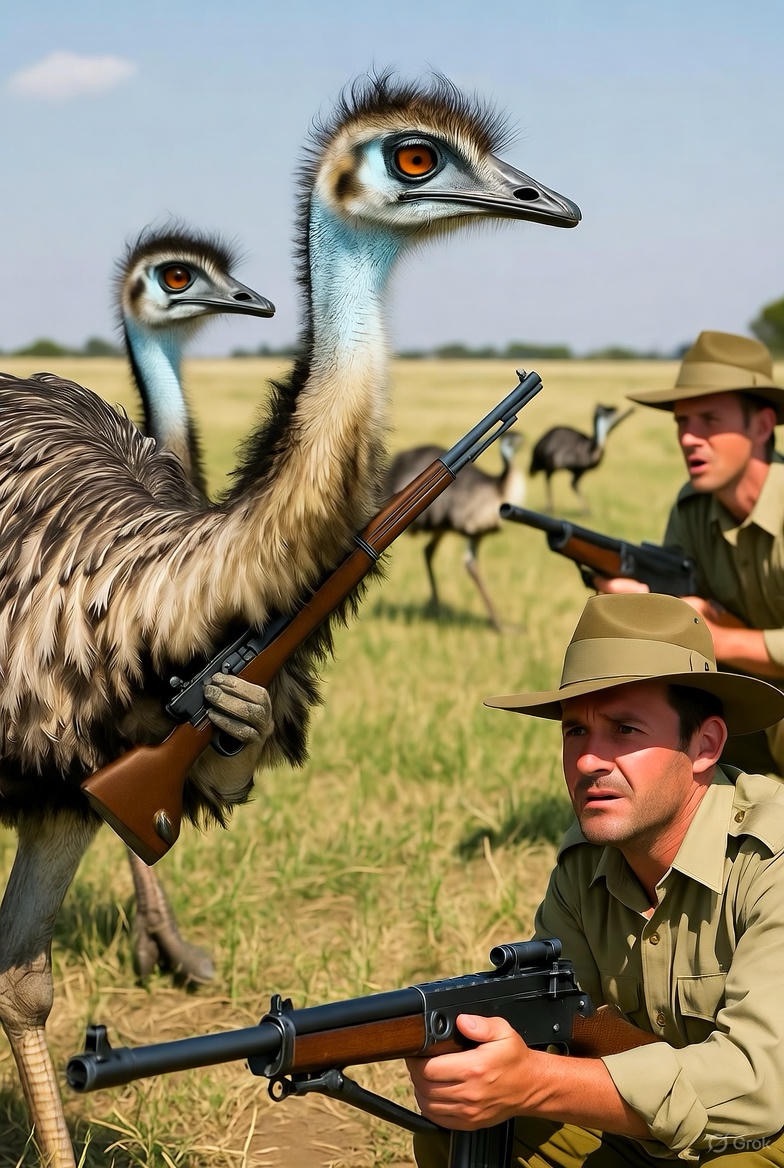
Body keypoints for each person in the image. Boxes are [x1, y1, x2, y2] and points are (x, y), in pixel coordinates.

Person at [407, 592, 784, 1166]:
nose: (587, 761)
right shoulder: (585, 866)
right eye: (575, 732)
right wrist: (471, 1053)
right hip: (657, 1134)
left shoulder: (771, 860)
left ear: (705, 745)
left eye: (625, 730)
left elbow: (757, 1086)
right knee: (467, 1126)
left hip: (762, 1133)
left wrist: (534, 1080)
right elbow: (562, 1020)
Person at [597, 329, 784, 775]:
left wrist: (720, 641)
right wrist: (642, 608)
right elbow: (678, 610)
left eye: (708, 420)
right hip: (755, 714)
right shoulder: (693, 509)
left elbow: (713, 636)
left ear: (761, 426)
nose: (688, 438)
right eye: (682, 422)